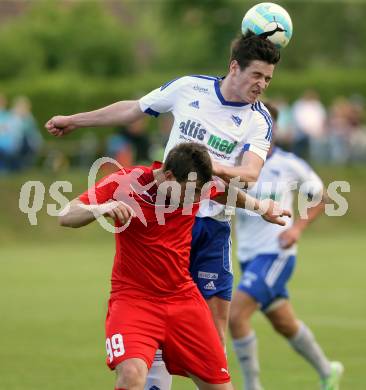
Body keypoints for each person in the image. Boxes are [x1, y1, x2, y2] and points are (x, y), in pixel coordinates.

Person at [46, 31, 280, 388]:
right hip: (167, 211)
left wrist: (208, 173)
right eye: (257, 75)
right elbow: (133, 109)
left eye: (268, 78)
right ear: (235, 67)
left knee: (213, 343)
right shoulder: (190, 89)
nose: (262, 84)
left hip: (210, 221)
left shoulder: (258, 119)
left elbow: (249, 174)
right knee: (146, 346)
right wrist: (75, 120)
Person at [58, 142, 289, 390]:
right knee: (132, 374)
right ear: (168, 177)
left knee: (220, 386)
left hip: (183, 299)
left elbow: (221, 191)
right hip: (134, 301)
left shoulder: (196, 187)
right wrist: (102, 207)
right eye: (192, 193)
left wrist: (261, 207)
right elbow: (66, 214)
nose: (198, 199)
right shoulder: (125, 183)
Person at [229, 105, 343, 390]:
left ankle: (252, 386)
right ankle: (328, 371)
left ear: (273, 129)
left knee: (236, 316)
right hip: (247, 257)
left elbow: (322, 197)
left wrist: (296, 229)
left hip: (275, 254)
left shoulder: (289, 164)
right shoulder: (237, 164)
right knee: (284, 323)